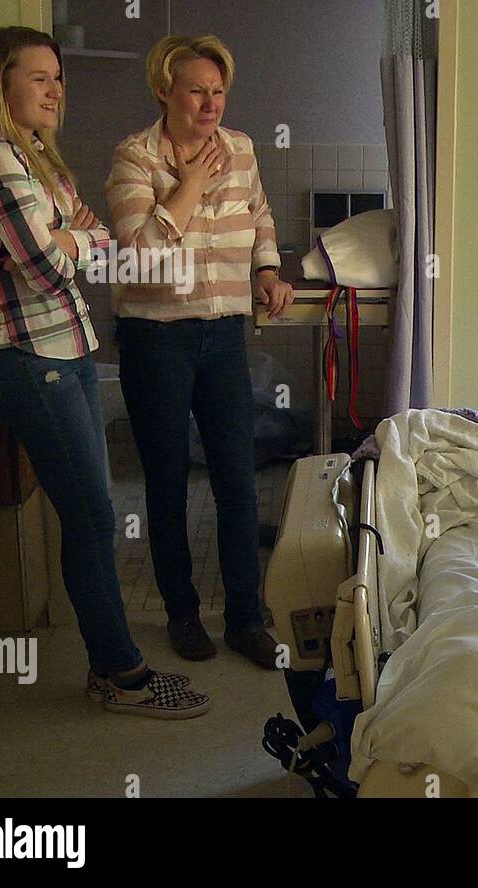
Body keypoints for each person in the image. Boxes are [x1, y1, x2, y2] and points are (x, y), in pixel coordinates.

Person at [0, 27, 208, 718]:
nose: (57, 89)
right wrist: (70, 236)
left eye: (59, 76)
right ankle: (121, 674)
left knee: (91, 517)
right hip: (30, 357)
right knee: (92, 518)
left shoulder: (36, 161)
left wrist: (72, 235)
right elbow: (45, 265)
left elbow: (90, 249)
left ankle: (111, 667)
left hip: (67, 346)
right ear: (0, 83)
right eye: (39, 77)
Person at [105, 35, 293, 668]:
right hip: (155, 335)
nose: (211, 103)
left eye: (218, 91)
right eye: (197, 90)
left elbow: (260, 214)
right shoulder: (134, 158)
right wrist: (186, 188)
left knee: (237, 479)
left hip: (223, 332)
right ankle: (181, 613)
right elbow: (136, 255)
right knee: (166, 481)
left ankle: (245, 618)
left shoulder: (240, 149)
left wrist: (267, 270)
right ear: (165, 91)